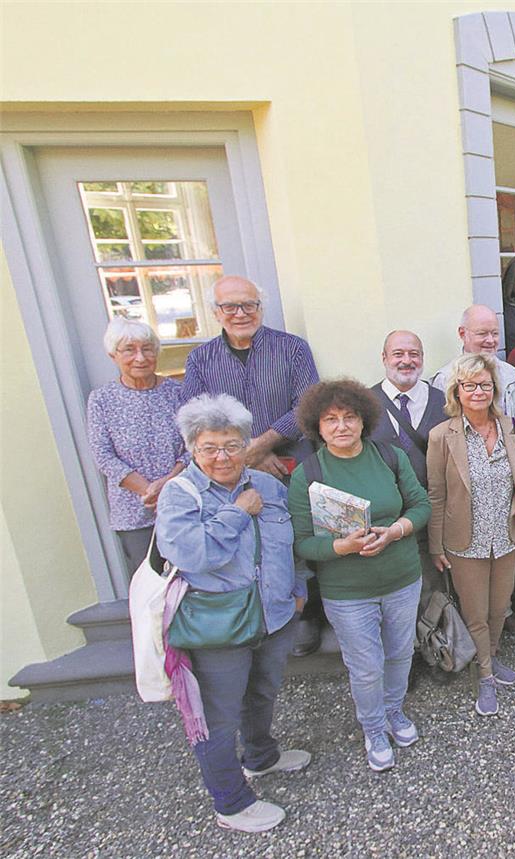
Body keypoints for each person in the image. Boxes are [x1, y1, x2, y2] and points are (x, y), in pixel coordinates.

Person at [156, 394, 309, 834]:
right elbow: (193, 554)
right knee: (218, 717)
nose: (222, 457)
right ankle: (231, 803)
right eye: (210, 448)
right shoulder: (179, 495)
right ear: (192, 449)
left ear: (247, 445)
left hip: (274, 615)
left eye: (232, 445)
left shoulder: (268, 486)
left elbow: (293, 540)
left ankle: (260, 757)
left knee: (262, 692)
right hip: (218, 625)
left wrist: (298, 587)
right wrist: (236, 513)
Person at [289, 380, 429, 772]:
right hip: (348, 591)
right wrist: (341, 547)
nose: (341, 426)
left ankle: (394, 710)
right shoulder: (308, 474)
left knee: (401, 653)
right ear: (317, 427)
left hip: (402, 578)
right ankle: (373, 728)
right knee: (366, 667)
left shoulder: (389, 457)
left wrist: (395, 531)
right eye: (330, 419)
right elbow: (301, 542)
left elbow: (421, 505)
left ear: (363, 420)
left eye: (349, 417)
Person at [180, 274, 323, 656]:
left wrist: (261, 445)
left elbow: (308, 405)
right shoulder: (200, 359)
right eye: (230, 306)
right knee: (247, 539)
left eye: (249, 305)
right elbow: (194, 415)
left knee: (293, 535)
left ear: (260, 308)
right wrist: (244, 454)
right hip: (228, 467)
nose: (240, 313)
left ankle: (305, 612)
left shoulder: (292, 349)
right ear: (216, 312)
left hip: (289, 463)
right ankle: (252, 613)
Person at [426, 355, 515, 716]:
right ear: (457, 391)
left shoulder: (513, 428)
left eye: (485, 385)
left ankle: (487, 656)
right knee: (475, 612)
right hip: (465, 542)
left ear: (494, 389)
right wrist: (436, 545)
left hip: (506, 537)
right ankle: (486, 675)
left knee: (499, 607)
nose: (478, 391)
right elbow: (436, 494)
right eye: (470, 385)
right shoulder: (442, 436)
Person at [86, 318, 185, 571]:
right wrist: (149, 491)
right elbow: (103, 456)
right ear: (113, 355)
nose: (140, 358)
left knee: (195, 579)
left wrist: (168, 486)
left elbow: (194, 447)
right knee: (149, 583)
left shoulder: (178, 392)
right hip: (134, 514)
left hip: (183, 503)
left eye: (147, 349)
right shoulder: (101, 400)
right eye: (129, 350)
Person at [369, 330, 449, 607]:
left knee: (434, 593)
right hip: (385, 521)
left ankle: (434, 633)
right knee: (394, 598)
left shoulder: (444, 402)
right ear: (384, 358)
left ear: (423, 358)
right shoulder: (365, 404)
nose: (406, 361)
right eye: (398, 354)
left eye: (413, 354)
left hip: (435, 518)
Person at [430, 305, 515, 419]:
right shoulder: (446, 378)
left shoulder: (510, 374)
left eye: (495, 333)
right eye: (482, 333)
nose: (490, 340)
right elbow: (441, 425)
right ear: (462, 334)